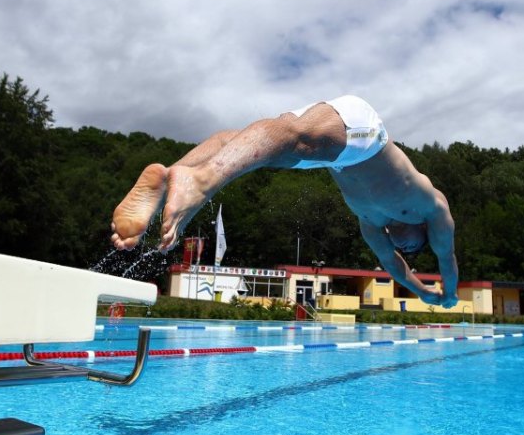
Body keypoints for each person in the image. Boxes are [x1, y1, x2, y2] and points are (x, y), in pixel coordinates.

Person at [110, 95, 459, 308]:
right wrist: (450, 292)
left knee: (244, 145)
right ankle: (200, 183)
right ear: (422, 230)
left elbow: (392, 265)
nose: (407, 251)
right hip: (364, 133)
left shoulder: (370, 223)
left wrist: (422, 291)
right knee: (292, 137)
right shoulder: (431, 206)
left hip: (336, 156)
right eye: (413, 249)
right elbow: (447, 255)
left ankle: (171, 178)